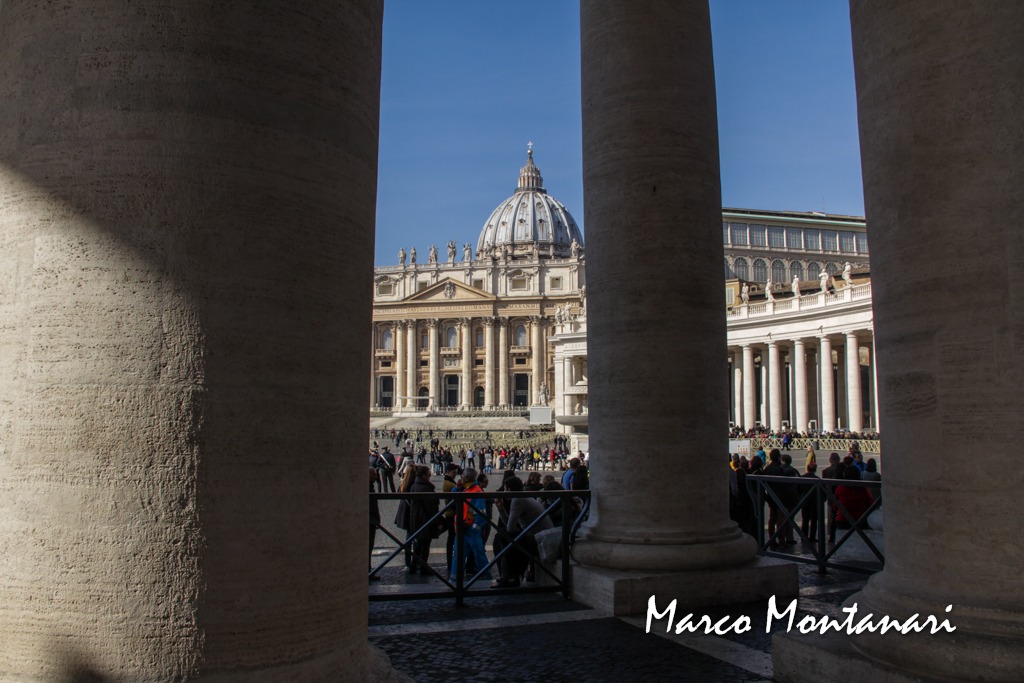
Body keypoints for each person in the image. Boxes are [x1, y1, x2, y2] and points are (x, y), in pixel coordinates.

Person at [497, 476, 554, 587]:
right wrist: (501, 509)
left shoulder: (518, 499)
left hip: (539, 539)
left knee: (503, 537)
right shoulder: (523, 496)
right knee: (503, 536)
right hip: (540, 536)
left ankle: (510, 577)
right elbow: (510, 526)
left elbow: (510, 529)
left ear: (509, 489)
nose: (504, 492)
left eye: (505, 489)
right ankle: (508, 577)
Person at [449, 468, 492, 583]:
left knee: (476, 554)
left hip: (470, 529)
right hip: (464, 528)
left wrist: (474, 528)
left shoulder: (475, 491)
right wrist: (457, 488)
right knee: (460, 554)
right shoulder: (467, 489)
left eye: (462, 476)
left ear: (467, 478)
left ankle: (485, 576)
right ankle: (455, 578)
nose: (460, 477)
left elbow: (481, 514)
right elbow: (455, 499)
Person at [408, 465, 439, 575]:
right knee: (425, 545)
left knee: (418, 545)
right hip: (425, 520)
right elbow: (431, 507)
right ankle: (423, 567)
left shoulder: (414, 485)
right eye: (429, 475)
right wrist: (437, 520)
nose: (430, 476)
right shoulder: (425, 488)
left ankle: (413, 566)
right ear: (424, 476)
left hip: (416, 519)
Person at [393, 465, 418, 571]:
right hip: (413, 512)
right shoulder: (415, 484)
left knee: (408, 539)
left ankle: (407, 562)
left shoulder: (404, 482)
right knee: (416, 538)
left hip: (404, 513)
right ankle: (415, 562)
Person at [441, 463, 459, 571]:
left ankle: (451, 562)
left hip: (450, 513)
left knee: (451, 538)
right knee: (452, 538)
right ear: (448, 472)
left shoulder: (448, 482)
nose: (455, 475)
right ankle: (451, 562)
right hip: (452, 514)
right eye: (454, 472)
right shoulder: (450, 484)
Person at [800, 462, 820, 545]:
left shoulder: (802, 478)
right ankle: (812, 537)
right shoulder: (817, 479)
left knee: (805, 520)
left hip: (804, 501)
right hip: (814, 502)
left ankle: (803, 537)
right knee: (814, 521)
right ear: (815, 470)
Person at [369, 467, 381, 581]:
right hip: (369, 522)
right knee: (368, 547)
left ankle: (368, 570)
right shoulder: (368, 488)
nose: (376, 477)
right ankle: (367, 572)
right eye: (374, 475)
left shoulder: (370, 487)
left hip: (371, 521)